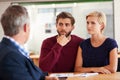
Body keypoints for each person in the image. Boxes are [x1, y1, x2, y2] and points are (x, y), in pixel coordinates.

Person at [0, 5, 58, 80]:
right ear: (25, 27)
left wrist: (44, 78)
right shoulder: (10, 57)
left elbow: (26, 73)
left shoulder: (11, 50)